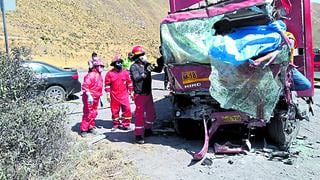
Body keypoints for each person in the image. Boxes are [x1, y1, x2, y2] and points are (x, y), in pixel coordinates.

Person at [129, 45, 164, 144]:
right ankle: (138, 135)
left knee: (151, 113)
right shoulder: (134, 67)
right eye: (141, 55)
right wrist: (146, 71)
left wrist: (160, 63)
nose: (144, 56)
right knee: (139, 115)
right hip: (140, 94)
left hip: (148, 93)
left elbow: (158, 70)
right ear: (137, 57)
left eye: (143, 54)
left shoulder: (146, 64)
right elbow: (136, 78)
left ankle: (148, 129)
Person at [105, 54, 134, 131]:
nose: (120, 64)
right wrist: (108, 94)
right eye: (118, 62)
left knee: (127, 109)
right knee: (114, 110)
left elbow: (129, 83)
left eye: (120, 62)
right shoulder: (109, 74)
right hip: (114, 95)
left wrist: (131, 92)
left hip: (124, 95)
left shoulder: (125, 73)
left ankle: (126, 125)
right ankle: (116, 124)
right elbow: (107, 85)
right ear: (114, 64)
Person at [80, 59, 105, 137]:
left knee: (94, 113)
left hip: (96, 97)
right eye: (100, 66)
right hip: (89, 97)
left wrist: (99, 96)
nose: (102, 68)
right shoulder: (91, 75)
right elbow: (85, 85)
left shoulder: (99, 75)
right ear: (96, 66)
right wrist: (89, 95)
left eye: (103, 66)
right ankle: (83, 129)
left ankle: (90, 127)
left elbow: (98, 87)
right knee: (88, 113)